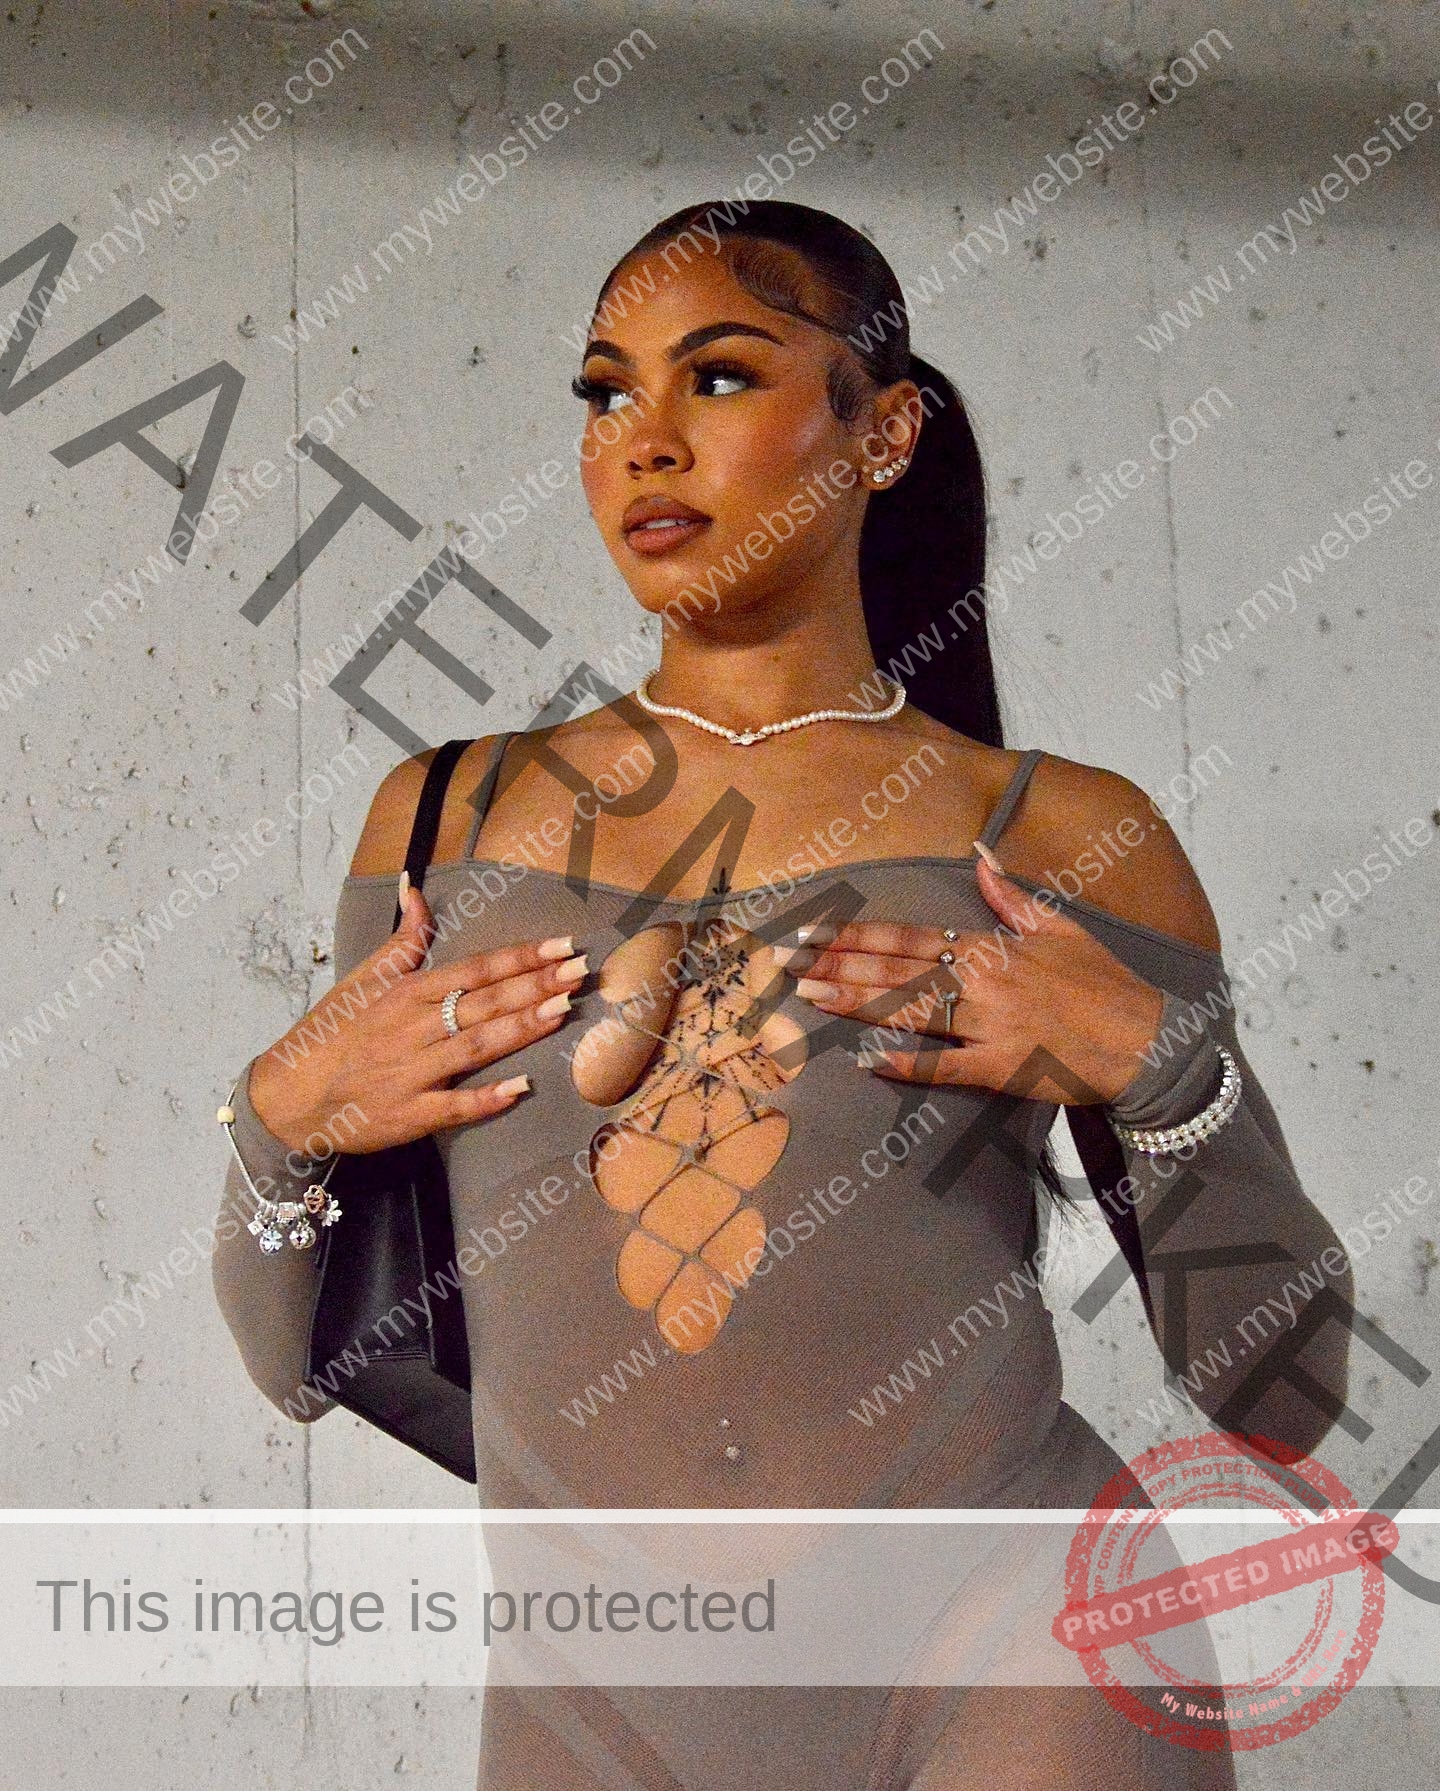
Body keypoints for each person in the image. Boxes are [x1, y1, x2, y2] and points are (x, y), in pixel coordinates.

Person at [212, 201, 1351, 1788]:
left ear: (881, 432)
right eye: (606, 394)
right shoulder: (446, 820)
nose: (645, 443)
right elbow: (299, 1367)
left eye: (722, 379)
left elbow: (1282, 1390)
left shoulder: (1060, 835)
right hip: (596, 1708)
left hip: (1013, 1652)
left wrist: (1160, 1072)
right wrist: (276, 1127)